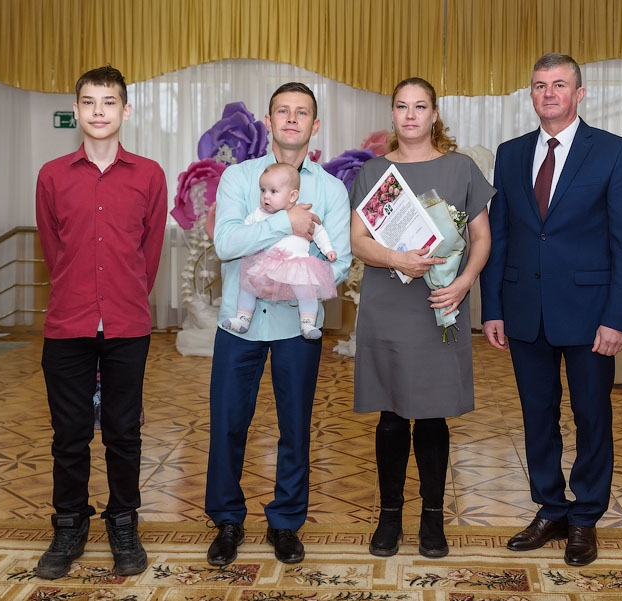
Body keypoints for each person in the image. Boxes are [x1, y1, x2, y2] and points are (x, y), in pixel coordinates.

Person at [479, 53, 622, 567]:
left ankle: (586, 517)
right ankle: (550, 508)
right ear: (531, 95)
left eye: (558, 84)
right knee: (537, 416)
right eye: (539, 85)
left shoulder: (614, 152)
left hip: (591, 314)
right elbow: (499, 236)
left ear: (579, 93)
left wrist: (617, 318)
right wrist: (493, 307)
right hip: (524, 310)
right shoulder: (510, 154)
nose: (548, 93)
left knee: (592, 417)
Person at [205, 82, 351, 566]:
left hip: (297, 325)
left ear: (315, 125)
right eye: (282, 111)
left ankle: (286, 522)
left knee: (295, 427)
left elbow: (339, 262)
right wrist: (285, 224)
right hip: (239, 323)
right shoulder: (239, 178)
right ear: (268, 122)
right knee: (227, 424)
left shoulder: (330, 189)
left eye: (301, 112)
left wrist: (287, 281)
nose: (292, 119)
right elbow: (226, 243)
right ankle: (227, 520)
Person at [349, 77, 494, 558]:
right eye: (401, 106)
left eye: (419, 106)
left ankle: (433, 518)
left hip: (441, 305)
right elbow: (357, 241)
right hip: (388, 305)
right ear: (392, 114)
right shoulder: (374, 173)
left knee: (432, 416)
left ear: (434, 114)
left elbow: (481, 238)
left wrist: (464, 283)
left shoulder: (461, 168)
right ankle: (390, 518)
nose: (410, 115)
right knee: (391, 417)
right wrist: (397, 259)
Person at [34, 65, 167, 579]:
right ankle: (69, 524)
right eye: (89, 102)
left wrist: (123, 298)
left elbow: (149, 254)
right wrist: (79, 294)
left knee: (123, 433)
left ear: (125, 110)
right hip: (66, 324)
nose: (98, 111)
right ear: (76, 110)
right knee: (68, 436)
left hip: (127, 325)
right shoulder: (52, 175)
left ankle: (123, 522)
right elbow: (53, 249)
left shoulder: (150, 175)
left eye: (109, 102)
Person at [223, 162, 338, 340]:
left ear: (292, 196)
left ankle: (307, 322)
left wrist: (328, 249)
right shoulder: (259, 213)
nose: (265, 196)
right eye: (263, 190)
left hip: (297, 264)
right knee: (248, 285)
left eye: (273, 191)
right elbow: (243, 232)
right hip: (268, 263)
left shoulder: (304, 211)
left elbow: (319, 231)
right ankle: (243, 318)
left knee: (307, 292)